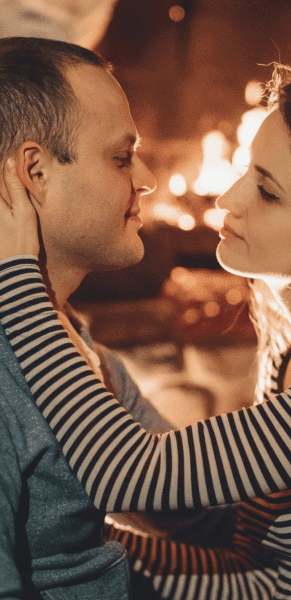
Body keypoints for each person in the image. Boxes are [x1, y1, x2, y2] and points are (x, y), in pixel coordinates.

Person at [2, 60, 291, 599]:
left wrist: (20, 288)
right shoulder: (289, 350)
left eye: (268, 191)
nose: (228, 200)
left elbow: (130, 473)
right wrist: (86, 549)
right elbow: (252, 556)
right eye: (246, 173)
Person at [0, 35, 234, 600]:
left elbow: (178, 498)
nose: (147, 177)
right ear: (35, 172)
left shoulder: (71, 338)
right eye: (121, 157)